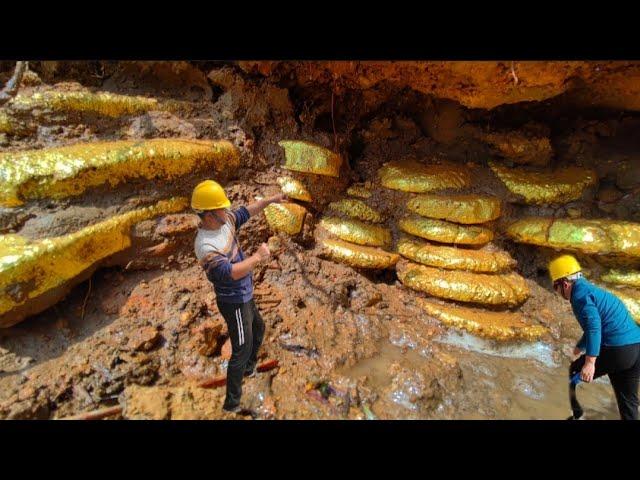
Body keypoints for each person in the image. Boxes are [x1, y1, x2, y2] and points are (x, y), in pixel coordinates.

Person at [191, 179, 286, 413]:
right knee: (241, 349)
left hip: (245, 293)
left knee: (260, 329)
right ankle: (232, 402)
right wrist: (257, 257)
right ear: (209, 214)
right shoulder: (205, 246)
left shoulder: (224, 222)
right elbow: (229, 273)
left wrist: (269, 200)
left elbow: (245, 212)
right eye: (221, 208)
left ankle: (248, 370)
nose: (227, 210)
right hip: (233, 301)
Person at [549, 254, 640, 420]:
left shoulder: (580, 297)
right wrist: (580, 346)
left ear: (565, 283)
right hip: (636, 348)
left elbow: (594, 327)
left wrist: (590, 363)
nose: (556, 292)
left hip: (617, 350)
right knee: (629, 403)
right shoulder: (591, 291)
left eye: (555, 286)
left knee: (574, 370)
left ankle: (576, 413)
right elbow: (600, 323)